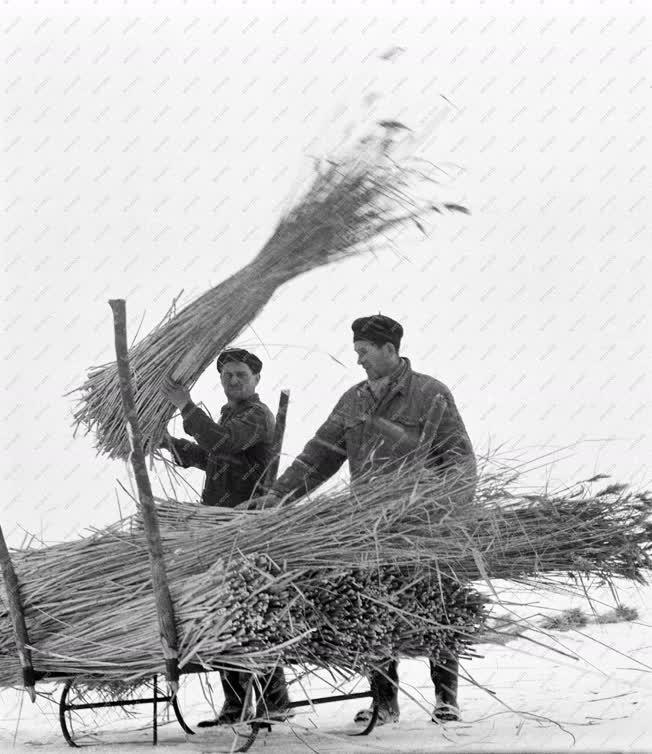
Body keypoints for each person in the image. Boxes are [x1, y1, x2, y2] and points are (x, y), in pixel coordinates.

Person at [246, 315, 477, 726]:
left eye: (365, 352)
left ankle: (446, 698)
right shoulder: (353, 400)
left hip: (423, 524)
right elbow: (317, 457)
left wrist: (448, 516)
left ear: (391, 350)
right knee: (375, 608)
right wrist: (276, 499)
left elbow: (460, 461)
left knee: (437, 602)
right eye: (356, 353)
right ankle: (384, 702)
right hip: (367, 527)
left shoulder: (429, 394)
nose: (359, 361)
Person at [160, 348, 291, 724]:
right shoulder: (229, 416)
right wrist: (167, 442)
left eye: (241, 374)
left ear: (256, 379)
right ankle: (235, 705)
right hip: (217, 523)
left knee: (251, 611)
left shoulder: (256, 416)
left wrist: (185, 406)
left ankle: (274, 702)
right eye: (227, 374)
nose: (233, 380)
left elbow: (220, 443)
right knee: (222, 614)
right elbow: (210, 456)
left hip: (246, 525)